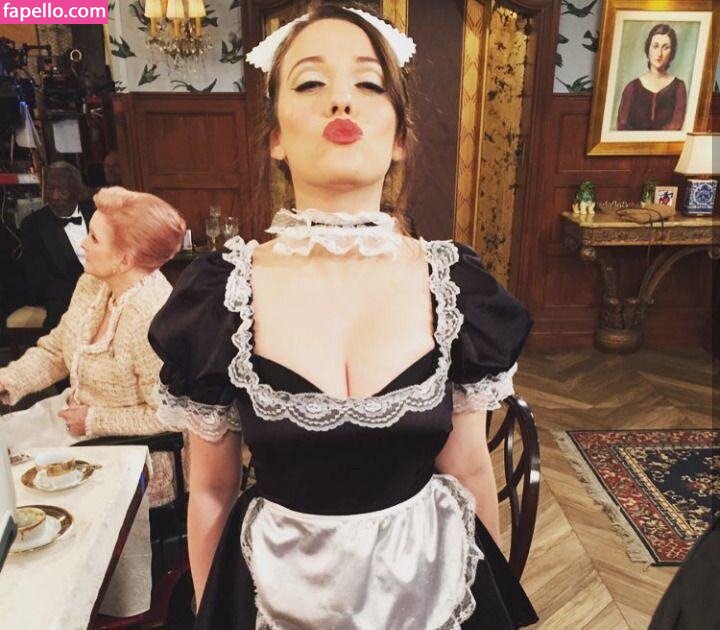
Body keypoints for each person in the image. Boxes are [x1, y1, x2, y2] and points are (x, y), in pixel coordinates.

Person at [149, 4, 537, 628]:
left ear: (400, 137)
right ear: (275, 137)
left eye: (368, 83)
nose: (341, 101)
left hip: (431, 593)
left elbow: (467, 468)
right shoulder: (222, 297)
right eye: (310, 82)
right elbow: (214, 490)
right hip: (274, 595)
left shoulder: (454, 286)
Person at [0, 186, 186, 507]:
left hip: (132, 449)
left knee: (15, 492)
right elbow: (57, 350)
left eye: (95, 238)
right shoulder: (92, 282)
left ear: (125, 259)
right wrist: (8, 380)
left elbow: (170, 417)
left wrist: (93, 420)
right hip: (72, 422)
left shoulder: (153, 318)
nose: (83, 244)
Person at [20, 161, 95, 331]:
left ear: (77, 191)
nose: (54, 196)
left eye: (63, 190)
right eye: (50, 189)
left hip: (105, 287)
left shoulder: (96, 214)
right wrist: (81, 293)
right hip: (63, 297)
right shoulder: (33, 225)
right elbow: (37, 280)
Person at [617, 23, 687, 131]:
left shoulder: (679, 87)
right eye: (655, 46)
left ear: (672, 52)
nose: (659, 53)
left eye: (665, 48)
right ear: (648, 49)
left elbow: (676, 125)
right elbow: (622, 125)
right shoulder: (632, 88)